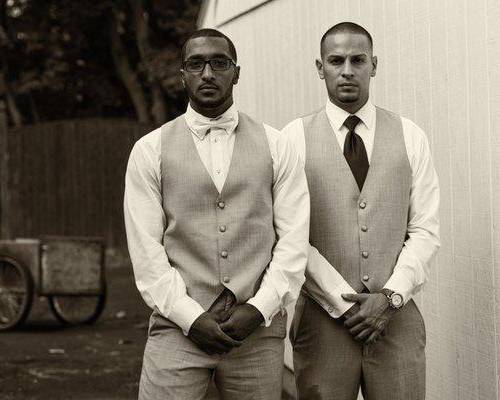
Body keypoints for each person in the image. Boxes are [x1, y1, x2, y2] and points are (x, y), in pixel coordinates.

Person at [124, 28, 310, 400]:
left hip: (257, 330)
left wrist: (259, 309)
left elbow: (293, 239)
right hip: (177, 327)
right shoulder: (150, 150)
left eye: (219, 63)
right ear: (183, 74)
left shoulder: (277, 145)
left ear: (236, 73)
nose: (207, 73)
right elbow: (147, 253)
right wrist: (190, 318)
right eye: (196, 64)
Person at [283, 22, 440, 400]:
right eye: (336, 60)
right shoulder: (292, 138)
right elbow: (288, 234)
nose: (348, 70)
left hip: (396, 320)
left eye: (358, 59)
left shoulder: (410, 135)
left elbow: (424, 229)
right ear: (320, 67)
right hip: (321, 324)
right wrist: (344, 303)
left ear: (374, 64)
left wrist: (389, 297)